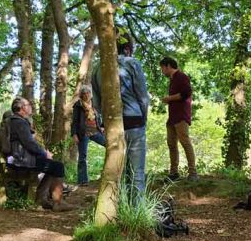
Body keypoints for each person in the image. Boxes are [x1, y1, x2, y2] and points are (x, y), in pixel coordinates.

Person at [92, 28, 150, 199]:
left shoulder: (97, 67)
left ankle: (118, 209)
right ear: (127, 48)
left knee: (117, 173)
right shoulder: (132, 63)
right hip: (134, 121)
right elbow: (142, 96)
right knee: (136, 172)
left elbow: (96, 103)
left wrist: (104, 121)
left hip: (111, 125)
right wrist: (143, 117)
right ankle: (137, 214)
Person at [9, 97, 76, 212]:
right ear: (21, 108)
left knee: (53, 166)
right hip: (22, 161)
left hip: (18, 158)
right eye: (28, 104)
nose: (30, 106)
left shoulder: (14, 121)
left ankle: (42, 198)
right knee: (58, 166)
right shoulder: (19, 122)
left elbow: (28, 143)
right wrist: (44, 154)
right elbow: (29, 144)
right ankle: (58, 202)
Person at [160, 56, 198, 182]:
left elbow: (186, 93)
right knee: (171, 143)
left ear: (168, 66)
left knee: (185, 142)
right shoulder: (172, 80)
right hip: (172, 117)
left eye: (162, 68)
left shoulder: (182, 76)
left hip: (181, 116)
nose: (162, 71)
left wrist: (169, 98)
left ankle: (193, 172)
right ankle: (174, 172)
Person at [71, 85, 106, 185]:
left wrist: (102, 126)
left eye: (88, 93)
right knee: (83, 156)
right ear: (81, 95)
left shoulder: (95, 103)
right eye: (84, 94)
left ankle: (106, 172)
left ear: (90, 94)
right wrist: (74, 134)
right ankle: (83, 180)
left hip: (96, 131)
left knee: (109, 145)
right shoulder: (78, 105)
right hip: (83, 133)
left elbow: (101, 115)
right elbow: (75, 121)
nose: (86, 95)